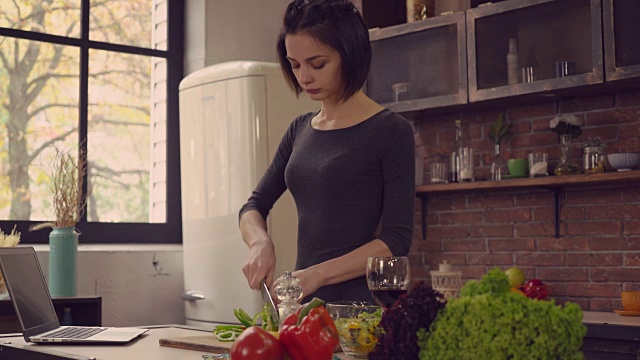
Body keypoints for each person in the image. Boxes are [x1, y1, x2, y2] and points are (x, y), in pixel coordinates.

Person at [239, 0, 415, 304]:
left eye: (317, 64)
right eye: (295, 65)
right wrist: (259, 243)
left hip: (361, 311)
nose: (304, 77)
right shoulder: (299, 130)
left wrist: (316, 274)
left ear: (350, 55)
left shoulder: (391, 130)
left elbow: (396, 240)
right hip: (303, 307)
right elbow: (253, 207)